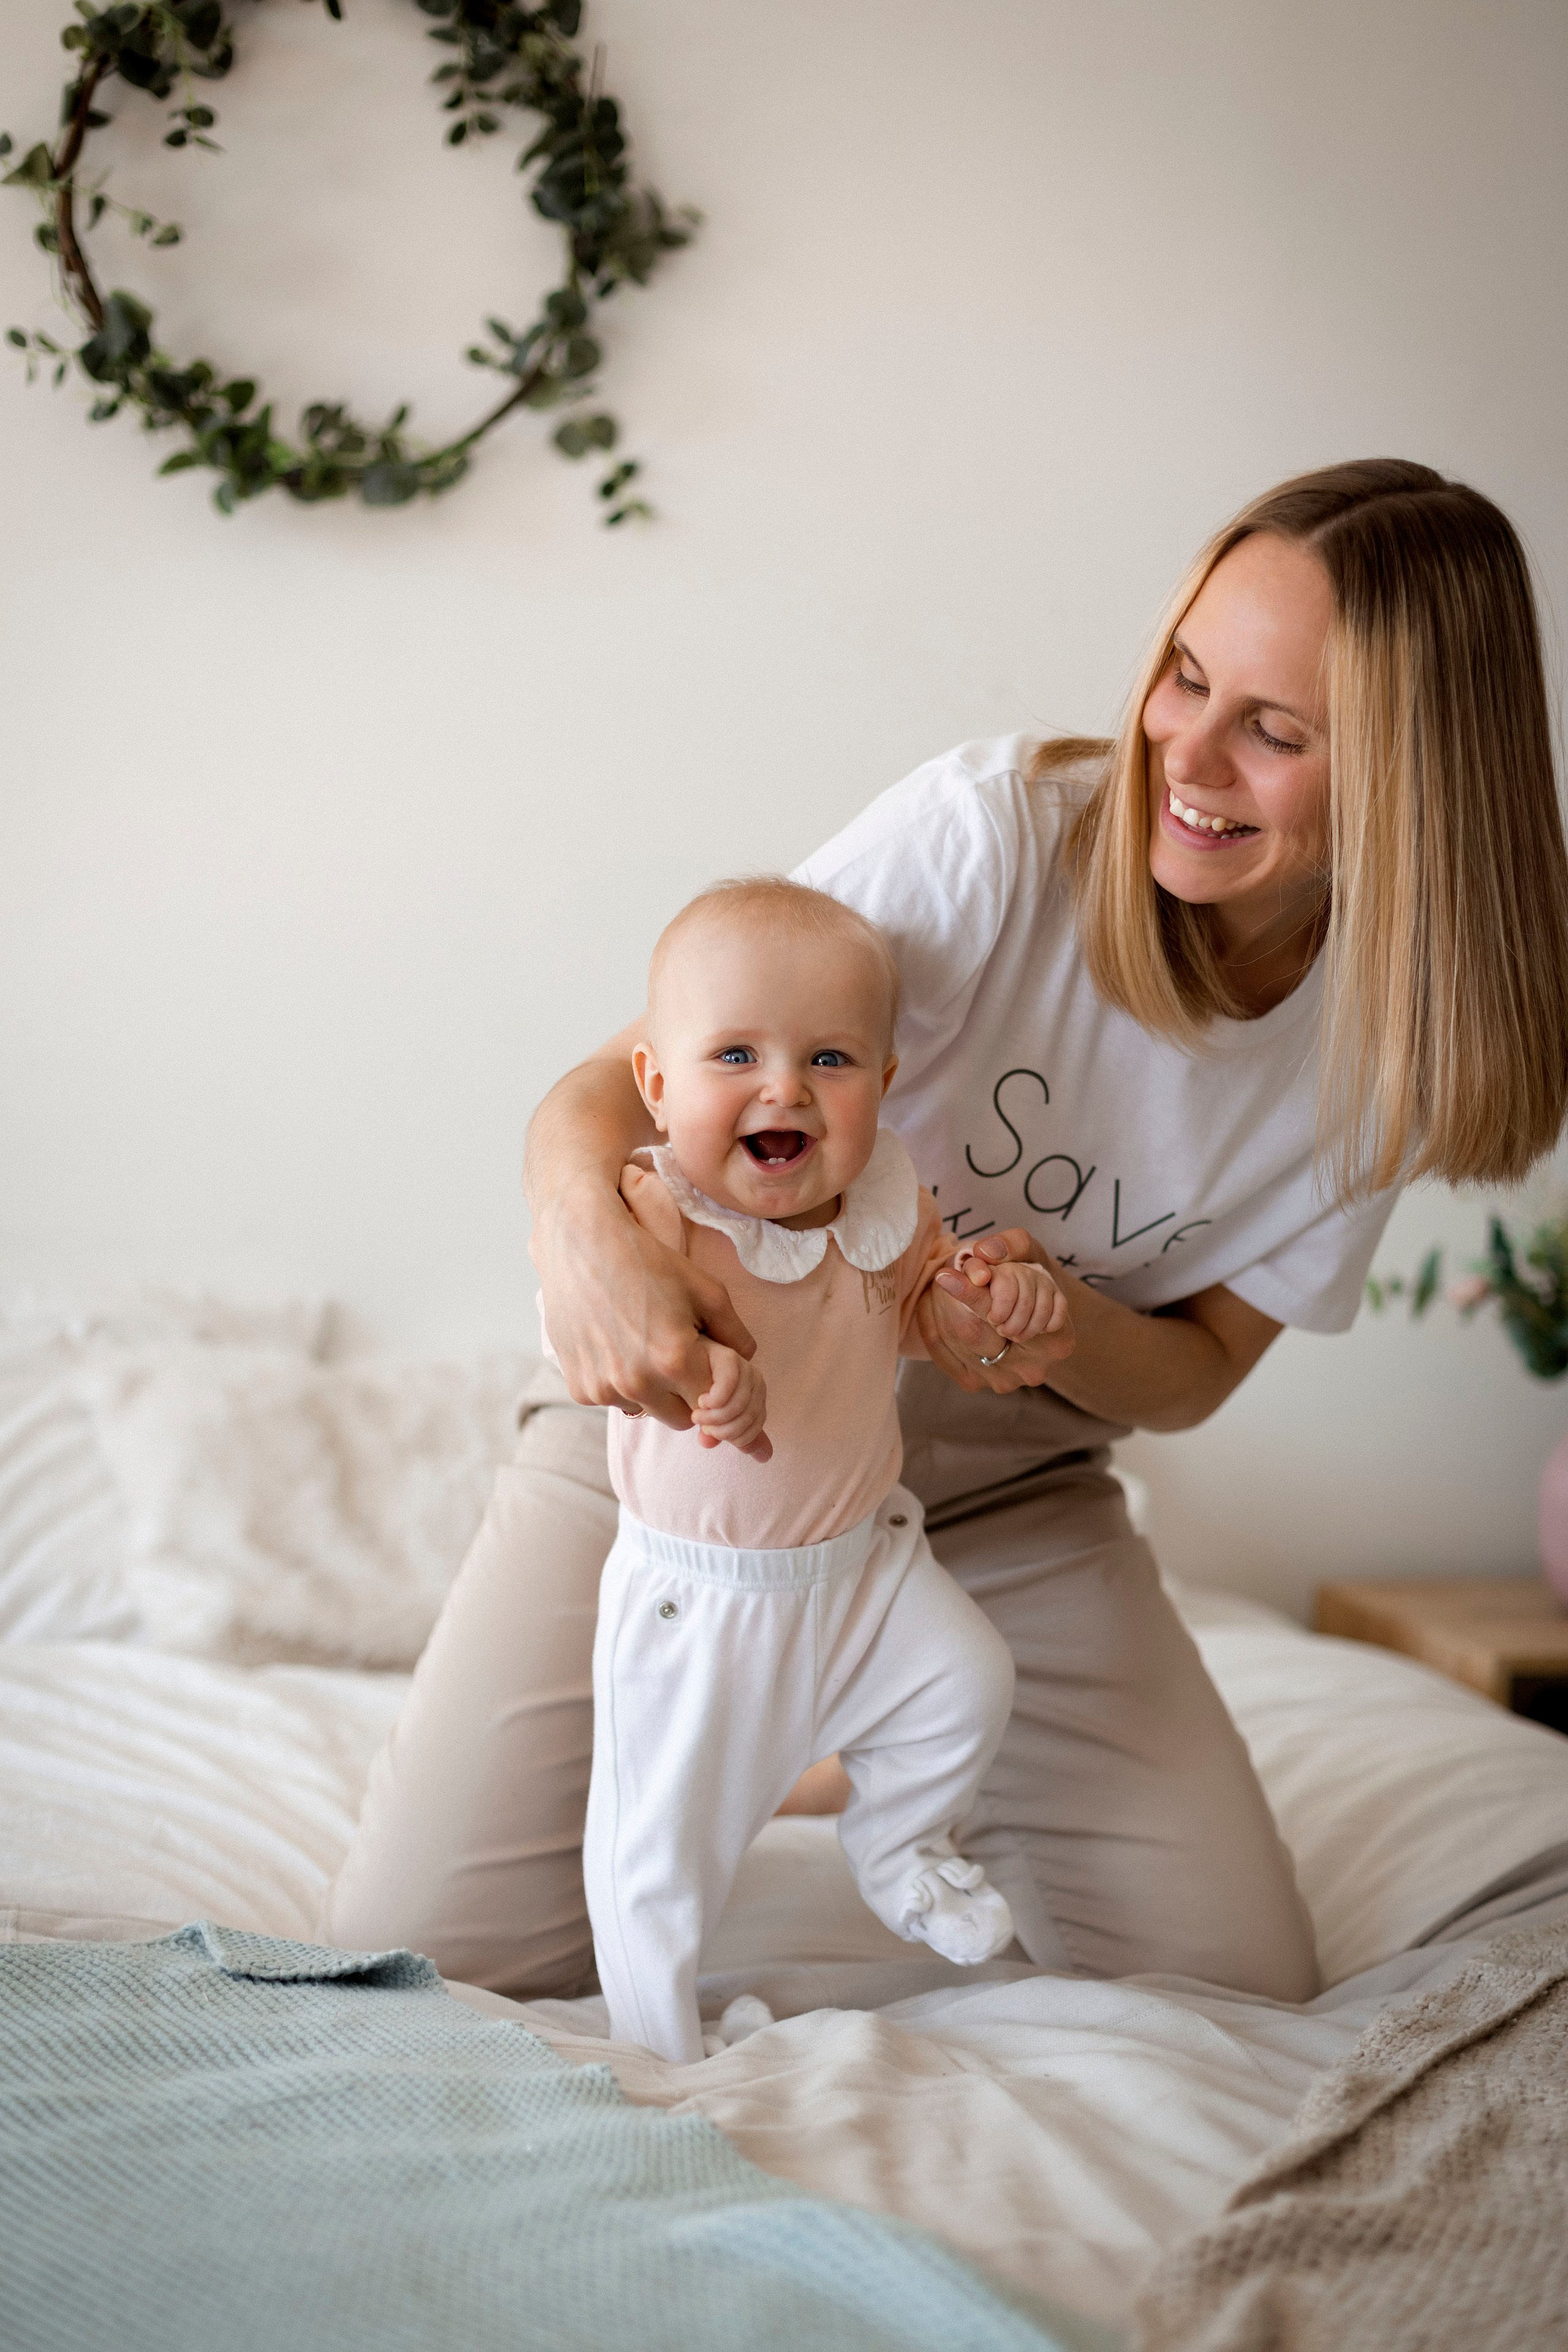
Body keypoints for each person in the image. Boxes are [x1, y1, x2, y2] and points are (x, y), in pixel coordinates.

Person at [325, 459, 1568, 2009]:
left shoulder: (1393, 1049)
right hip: (705, 1456)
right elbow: (615, 1084)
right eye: (1185, 675)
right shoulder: (995, 836)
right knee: (435, 1958)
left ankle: (863, 1728)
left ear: (1408, 779)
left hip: (1000, 1497)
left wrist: (1060, 1331)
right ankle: (804, 1730)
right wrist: (581, 1232)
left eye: (1272, 730)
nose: (1182, 751)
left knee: (1230, 1982)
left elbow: (1190, 1378)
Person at [570, 876, 1068, 2063]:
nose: (784, 1086)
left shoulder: (884, 1200)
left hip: (859, 1571)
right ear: (655, 1083)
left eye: (830, 1059)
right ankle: (657, 2055)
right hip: (704, 1599)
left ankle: (899, 1847)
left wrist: (977, 1301)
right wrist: (693, 1370)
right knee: (659, 1854)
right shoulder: (656, 1213)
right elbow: (593, 1338)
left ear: (884, 1085)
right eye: (734, 1052)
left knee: (965, 1681)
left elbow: (917, 1321)